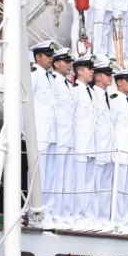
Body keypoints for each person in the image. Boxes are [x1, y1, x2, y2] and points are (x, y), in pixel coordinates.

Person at [29, 40, 58, 227]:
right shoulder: (33, 74)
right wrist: (24, 130)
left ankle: (47, 214)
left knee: (50, 178)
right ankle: (35, 216)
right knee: (38, 176)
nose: (51, 59)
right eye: (48, 56)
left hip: (50, 133)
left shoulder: (49, 77)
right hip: (38, 133)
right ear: (38, 57)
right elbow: (25, 101)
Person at [71, 54, 97, 228]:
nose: (92, 72)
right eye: (89, 69)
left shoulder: (92, 93)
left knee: (90, 184)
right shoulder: (75, 90)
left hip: (92, 144)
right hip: (79, 143)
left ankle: (87, 216)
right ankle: (76, 215)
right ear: (80, 71)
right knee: (78, 183)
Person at [110, 67, 128, 233]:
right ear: (119, 82)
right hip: (120, 150)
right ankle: (117, 221)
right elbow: (111, 126)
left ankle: (126, 221)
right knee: (118, 189)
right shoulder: (115, 100)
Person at [50, 47, 75, 226]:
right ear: (56, 63)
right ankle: (51, 214)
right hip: (55, 137)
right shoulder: (52, 81)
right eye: (66, 62)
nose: (69, 65)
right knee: (53, 179)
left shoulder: (68, 85)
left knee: (66, 180)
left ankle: (63, 215)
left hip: (68, 138)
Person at [91, 57, 117, 230]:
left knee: (106, 187)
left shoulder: (108, 97)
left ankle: (103, 218)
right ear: (98, 77)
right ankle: (92, 217)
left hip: (108, 148)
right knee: (94, 186)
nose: (110, 77)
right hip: (96, 147)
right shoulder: (91, 94)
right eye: (107, 74)